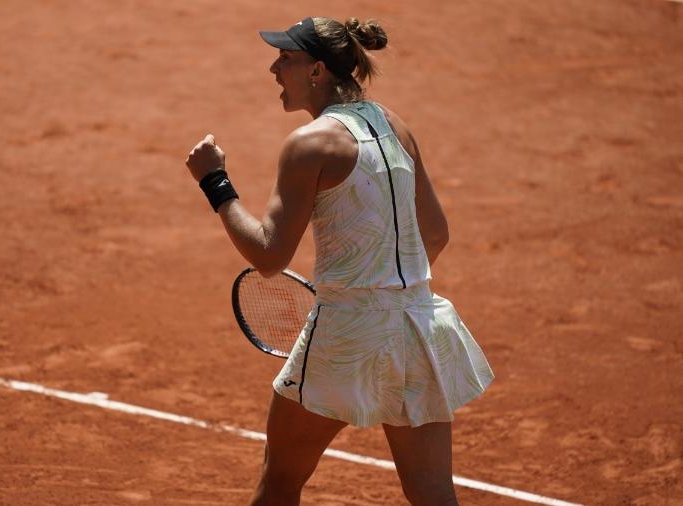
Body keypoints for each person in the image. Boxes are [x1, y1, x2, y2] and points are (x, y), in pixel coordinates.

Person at [185, 16, 494, 506]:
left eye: (286, 59)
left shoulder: (310, 145)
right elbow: (435, 234)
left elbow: (268, 255)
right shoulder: (395, 126)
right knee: (433, 494)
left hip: (346, 335)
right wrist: (384, 283)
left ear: (318, 71)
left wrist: (215, 182)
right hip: (418, 326)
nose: (273, 67)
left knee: (280, 481)